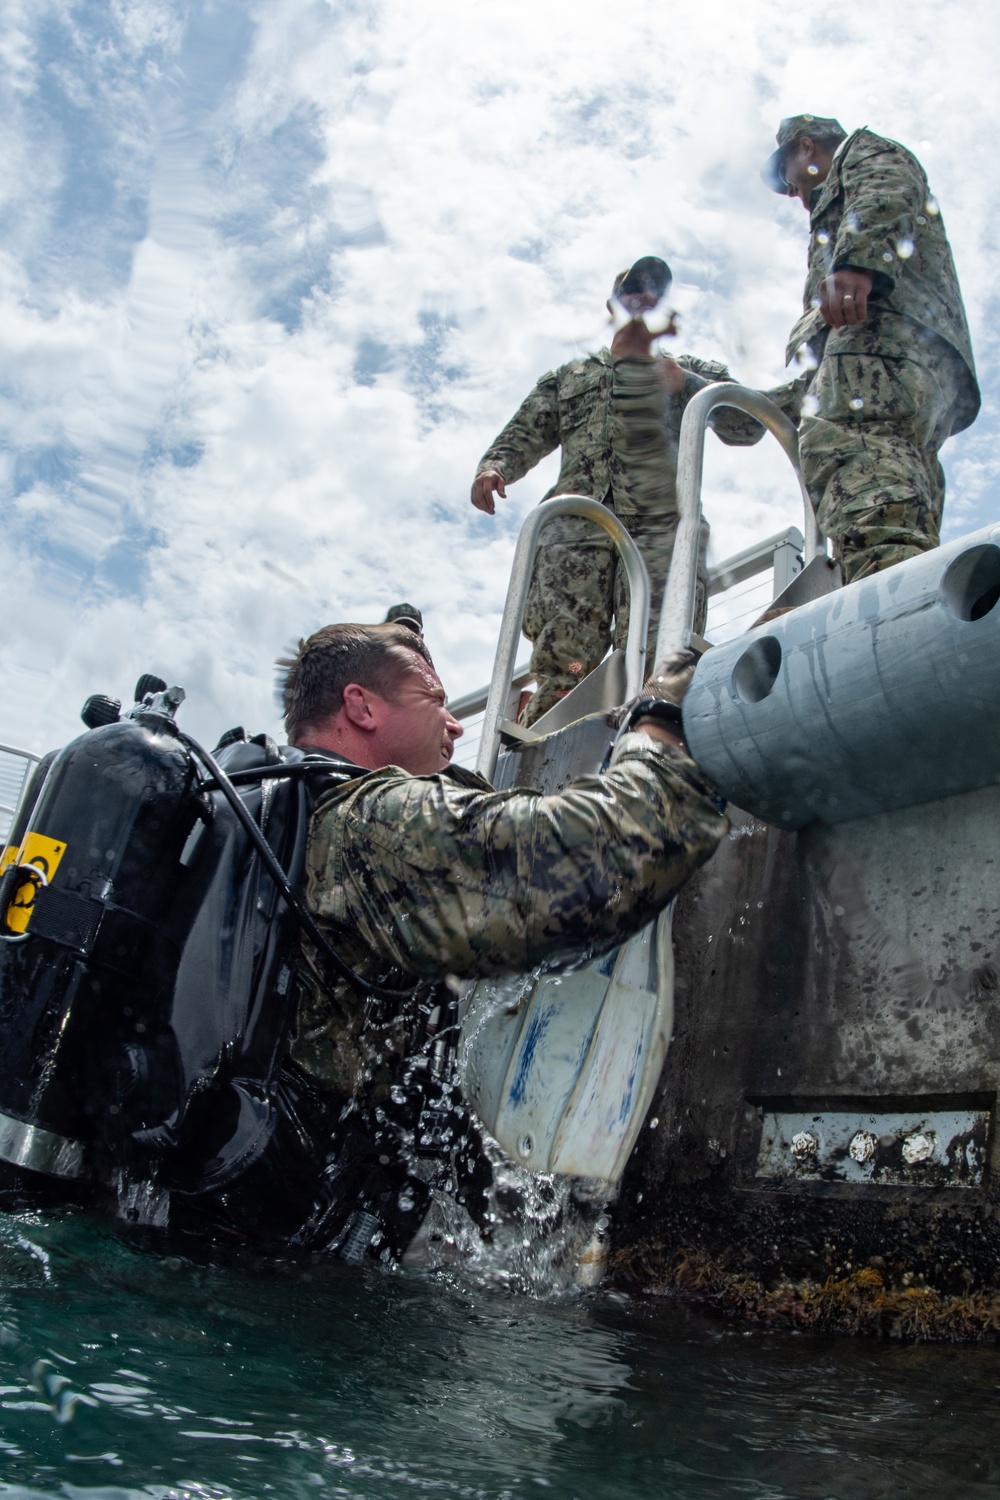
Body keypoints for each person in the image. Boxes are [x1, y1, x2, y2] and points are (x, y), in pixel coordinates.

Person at [279, 620, 726, 1245]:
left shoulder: (284, 814)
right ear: (361, 706)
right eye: (434, 699)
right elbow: (609, 858)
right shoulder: (368, 824)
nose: (457, 723)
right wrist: (664, 713)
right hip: (296, 1264)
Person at [471, 258, 766, 724]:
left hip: (659, 528)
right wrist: (494, 467)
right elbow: (525, 430)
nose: (645, 297)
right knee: (567, 656)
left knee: (659, 646)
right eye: (635, 289)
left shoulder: (690, 370)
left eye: (656, 292)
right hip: (576, 533)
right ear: (613, 304)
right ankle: (550, 742)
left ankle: (651, 731)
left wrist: (685, 384)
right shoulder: (570, 377)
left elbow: (749, 424)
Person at [762, 114, 980, 584]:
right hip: (902, 364)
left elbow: (889, 183)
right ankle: (922, 610)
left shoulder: (860, 153)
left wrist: (858, 262)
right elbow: (825, 376)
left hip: (883, 353)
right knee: (900, 505)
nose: (794, 194)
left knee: (866, 491)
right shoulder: (838, 222)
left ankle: (900, 627)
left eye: (789, 180)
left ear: (805, 148)